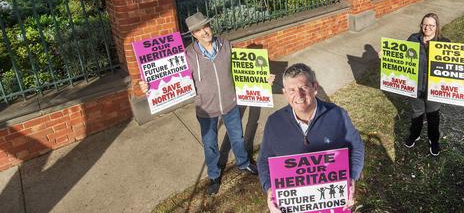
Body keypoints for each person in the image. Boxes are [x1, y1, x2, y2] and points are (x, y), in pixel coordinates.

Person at [139, 12, 258, 195]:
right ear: (193, 35)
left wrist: (263, 77)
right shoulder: (188, 55)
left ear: (210, 27)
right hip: (206, 109)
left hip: (230, 102)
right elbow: (168, 77)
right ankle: (214, 175)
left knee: (237, 137)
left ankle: (243, 163)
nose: (204, 32)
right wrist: (148, 86)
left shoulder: (226, 45)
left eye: (205, 27)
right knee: (210, 145)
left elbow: (244, 69)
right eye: (198, 30)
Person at [257, 63, 364, 213]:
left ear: (315, 87)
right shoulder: (274, 122)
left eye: (304, 87)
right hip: (293, 204)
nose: (298, 95)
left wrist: (352, 178)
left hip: (332, 202)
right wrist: (269, 189)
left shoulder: (338, 115)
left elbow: (356, 147)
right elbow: (264, 160)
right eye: (291, 90)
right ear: (284, 93)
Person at [404, 13, 464, 156]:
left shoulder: (444, 42)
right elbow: (402, 56)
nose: (427, 27)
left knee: (432, 115)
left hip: (434, 88)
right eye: (425, 24)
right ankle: (414, 135)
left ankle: (434, 140)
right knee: (417, 113)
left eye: (431, 25)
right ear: (421, 25)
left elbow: (455, 61)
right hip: (415, 86)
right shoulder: (413, 39)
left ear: (437, 27)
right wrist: (386, 54)